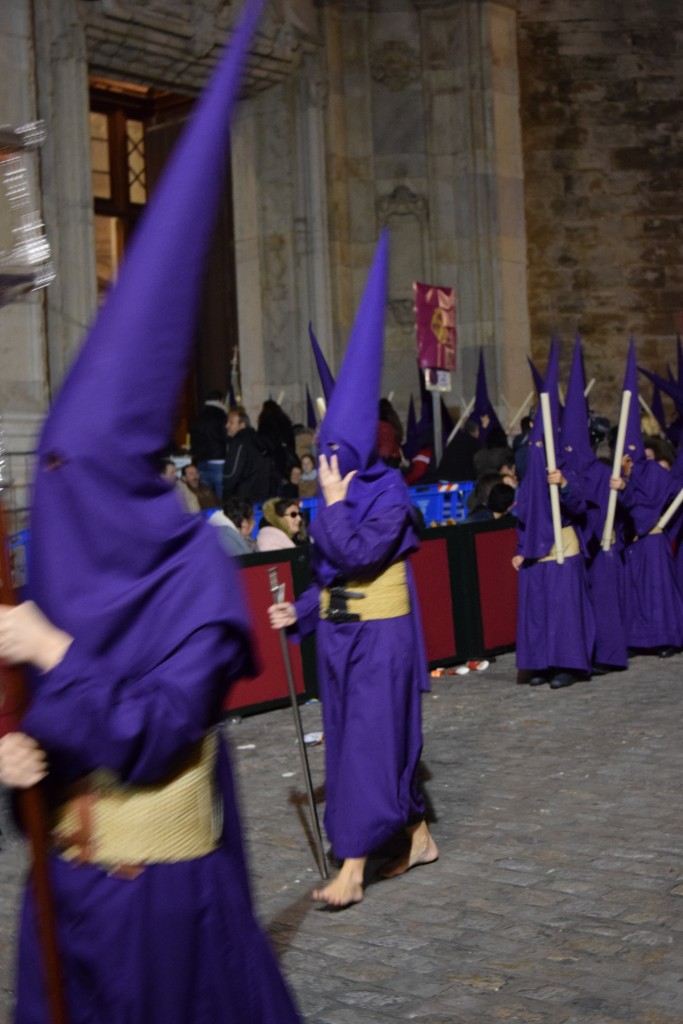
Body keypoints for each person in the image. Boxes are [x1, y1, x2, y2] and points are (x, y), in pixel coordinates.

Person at [0, 6, 302, 1021]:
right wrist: (13, 762)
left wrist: (50, 652)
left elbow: (154, 730)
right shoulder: (67, 568)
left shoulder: (195, 581)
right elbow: (54, 748)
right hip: (66, 899)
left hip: (164, 913)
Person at [268, 235, 437, 908]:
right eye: (320, 451)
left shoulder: (388, 493)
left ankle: (353, 868)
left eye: (334, 450)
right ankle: (418, 836)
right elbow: (331, 574)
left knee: (367, 746)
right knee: (364, 744)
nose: (323, 461)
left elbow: (363, 555)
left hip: (382, 638)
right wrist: (299, 613)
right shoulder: (326, 495)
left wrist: (333, 506)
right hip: (341, 638)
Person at [223, 406, 276, 503]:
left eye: (231, 423)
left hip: (244, 497)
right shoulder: (259, 439)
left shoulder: (238, 443)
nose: (227, 426)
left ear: (242, 425)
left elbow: (232, 473)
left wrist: (226, 494)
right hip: (263, 494)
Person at [189, 389, 227, 499]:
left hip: (201, 460)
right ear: (221, 400)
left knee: (206, 497)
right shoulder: (221, 415)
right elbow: (225, 437)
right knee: (220, 498)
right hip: (218, 460)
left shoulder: (197, 416)